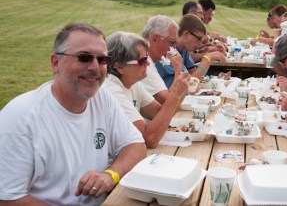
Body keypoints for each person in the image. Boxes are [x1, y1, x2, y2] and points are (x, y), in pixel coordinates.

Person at [0, 23, 146, 205]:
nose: (95, 67)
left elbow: (135, 145)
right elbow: (8, 199)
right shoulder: (19, 118)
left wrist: (111, 175)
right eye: (84, 57)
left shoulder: (102, 99)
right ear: (56, 63)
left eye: (102, 60)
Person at [103, 32, 189, 148]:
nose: (148, 63)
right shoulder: (111, 91)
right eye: (143, 61)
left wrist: (179, 94)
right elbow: (149, 139)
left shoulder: (133, 83)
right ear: (119, 67)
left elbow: (161, 114)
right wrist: (174, 95)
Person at [155, 14, 226, 87]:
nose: (199, 44)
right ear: (186, 34)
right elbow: (190, 83)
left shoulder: (183, 49)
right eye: (198, 39)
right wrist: (207, 58)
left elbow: (194, 72)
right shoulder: (169, 51)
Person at [141, 15, 182, 104]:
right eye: (172, 42)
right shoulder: (144, 65)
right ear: (155, 39)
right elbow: (168, 103)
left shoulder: (149, 61)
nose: (174, 48)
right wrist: (178, 70)